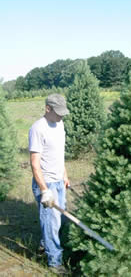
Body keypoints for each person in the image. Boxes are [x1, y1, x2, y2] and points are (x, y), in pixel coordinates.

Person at [29, 93, 70, 274]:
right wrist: (45, 190)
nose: (61, 116)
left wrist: (65, 174)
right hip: (46, 184)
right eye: (58, 112)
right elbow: (34, 164)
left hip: (59, 181)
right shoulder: (38, 129)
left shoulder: (60, 124)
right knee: (52, 223)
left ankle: (44, 246)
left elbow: (59, 154)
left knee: (57, 220)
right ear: (47, 109)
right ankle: (54, 262)